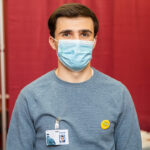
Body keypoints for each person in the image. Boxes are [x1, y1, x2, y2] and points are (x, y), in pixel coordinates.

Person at [6, 3, 142, 150]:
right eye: (66, 34)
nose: (76, 41)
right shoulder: (30, 97)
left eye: (84, 34)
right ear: (52, 42)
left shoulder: (118, 94)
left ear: (94, 41)